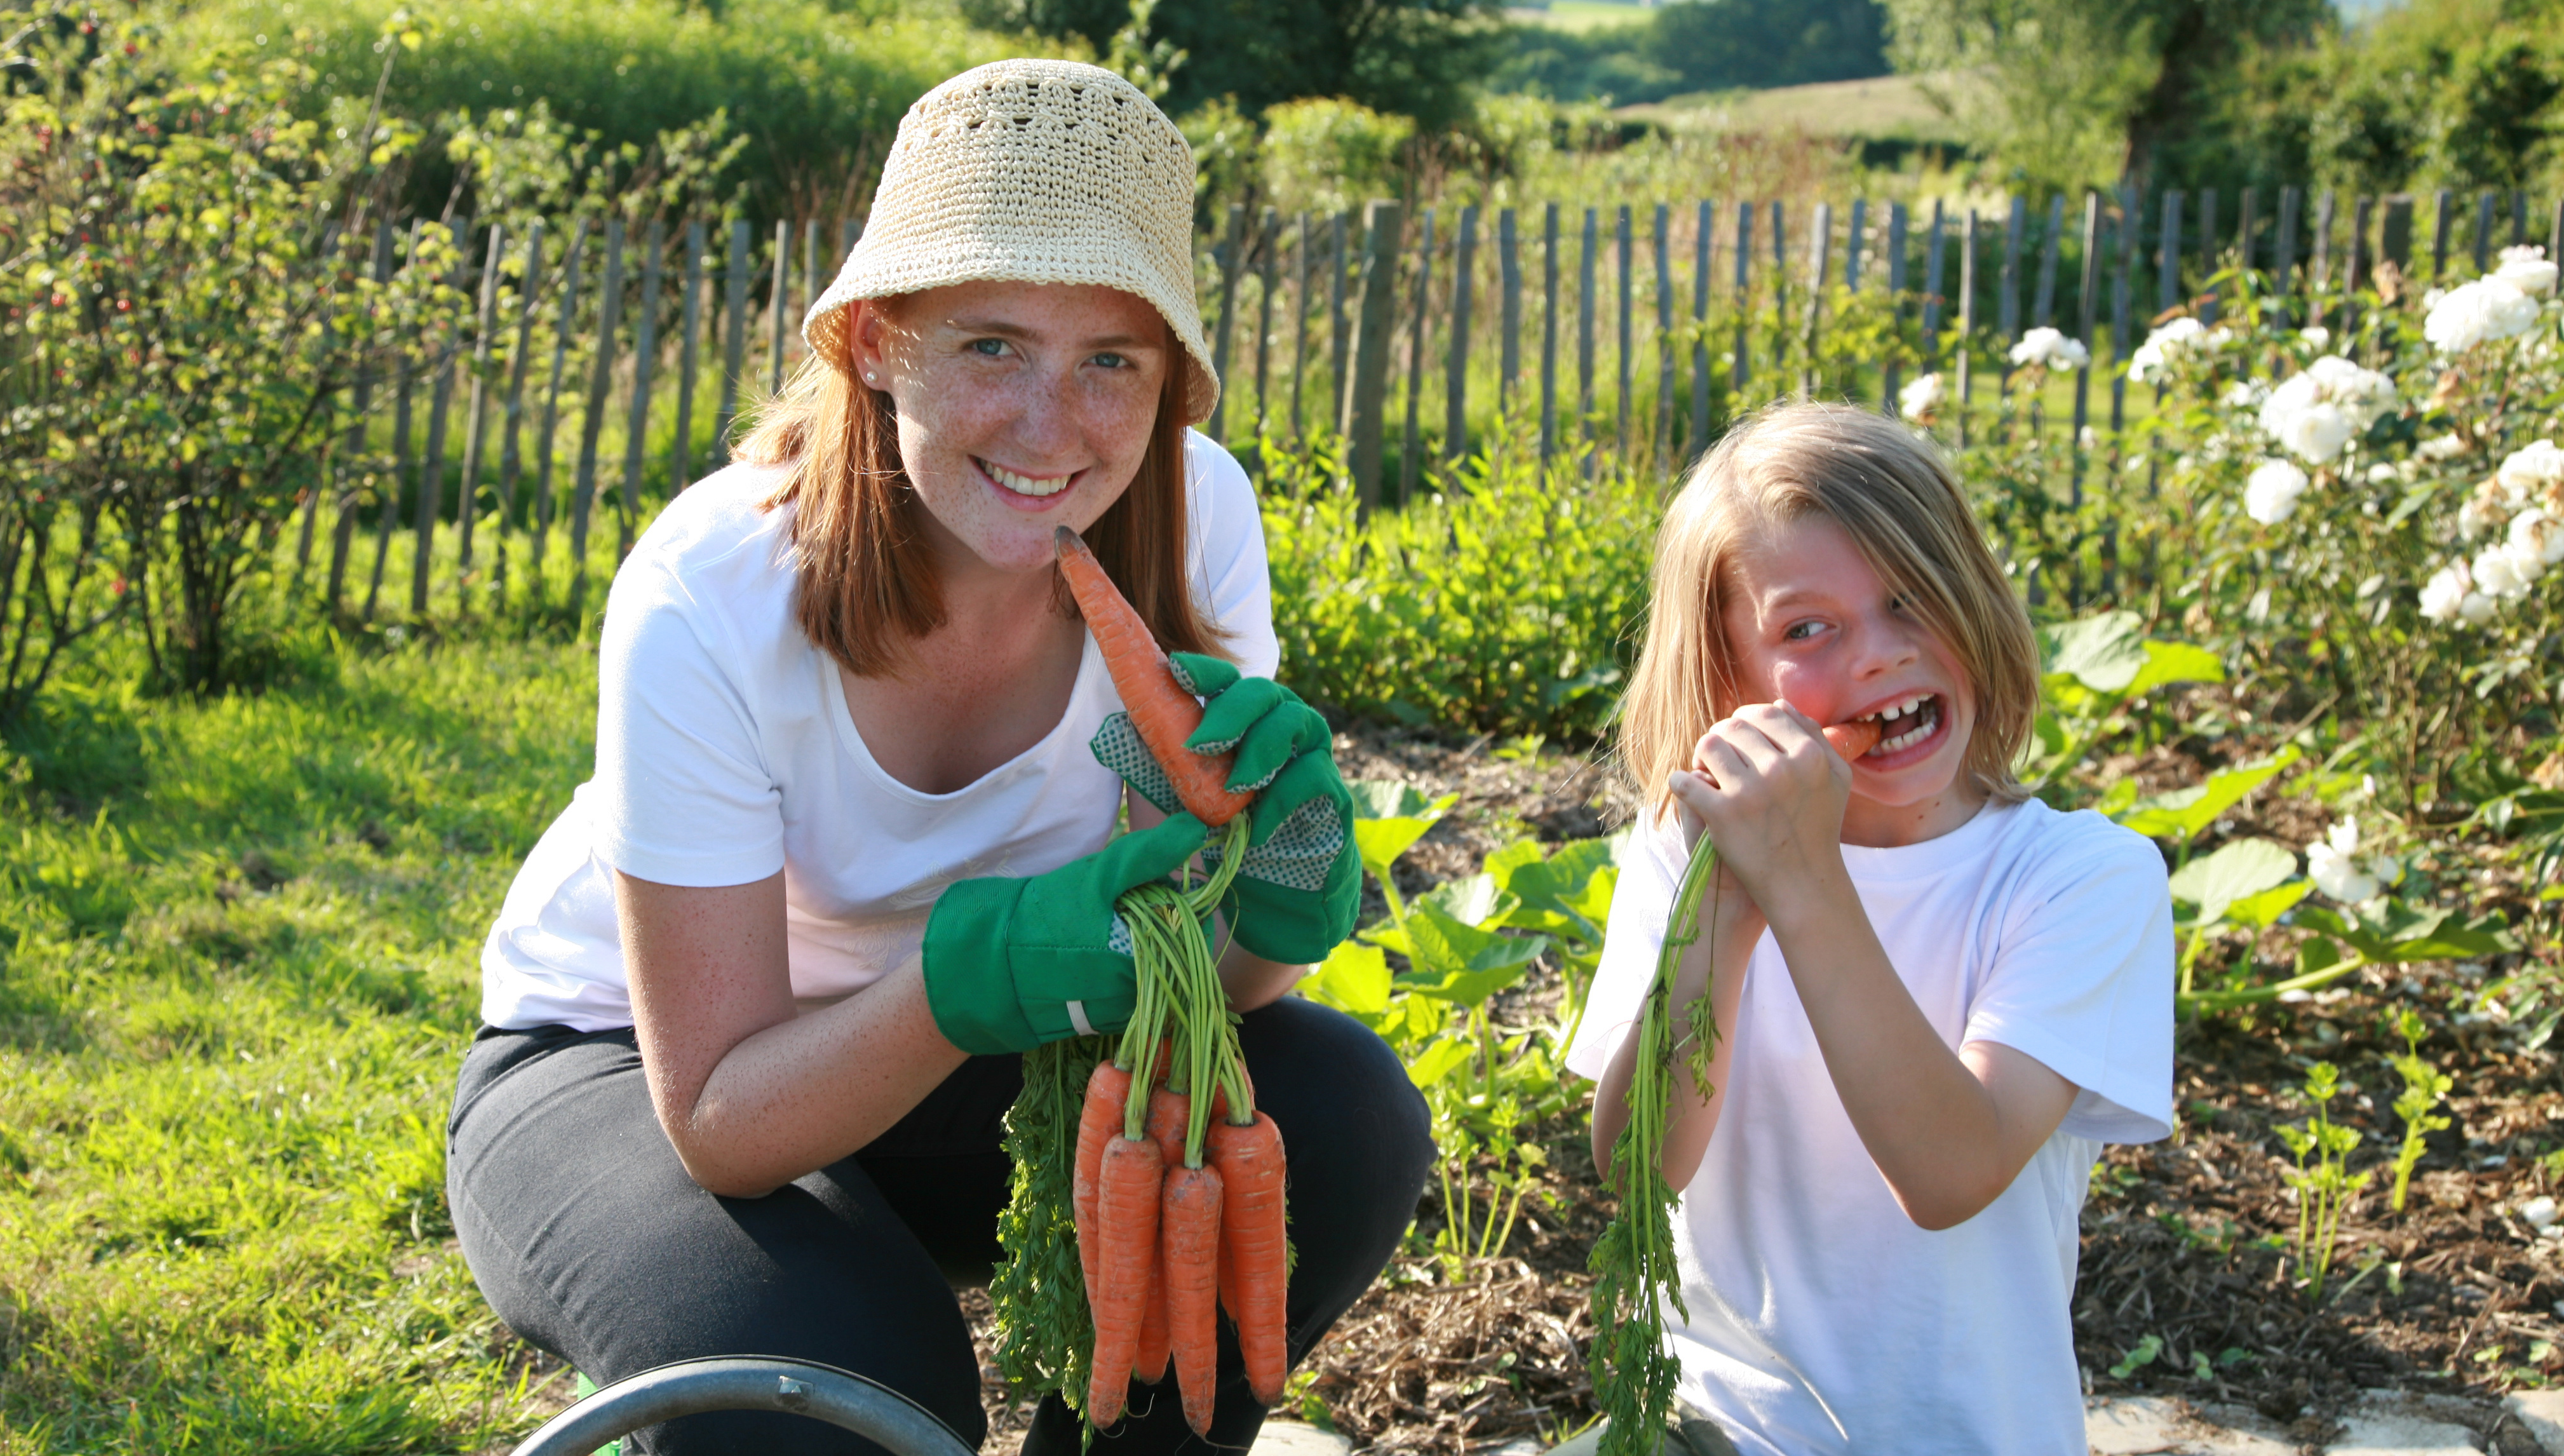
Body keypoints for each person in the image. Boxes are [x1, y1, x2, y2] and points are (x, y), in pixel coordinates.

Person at [444, 59, 1431, 1456]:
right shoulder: (712, 589)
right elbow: (721, 1120)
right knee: (837, 1396)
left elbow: (1237, 981)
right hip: (641, 1069)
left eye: (1111, 362)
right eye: (991, 347)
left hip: (984, 1060)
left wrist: (1272, 896)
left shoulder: (1196, 513)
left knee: (1340, 1119)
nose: (1053, 427)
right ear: (871, 343)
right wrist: (964, 980)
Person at [1569, 403, 2173, 1454]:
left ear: (1974, 604)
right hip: (1718, 1428)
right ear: (1728, 682)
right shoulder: (1687, 852)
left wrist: (1802, 886)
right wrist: (1720, 915)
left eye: (1910, 601)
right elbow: (1634, 1173)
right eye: (1806, 630)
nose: (1880, 656)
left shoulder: (2081, 878)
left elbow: (1950, 1169)